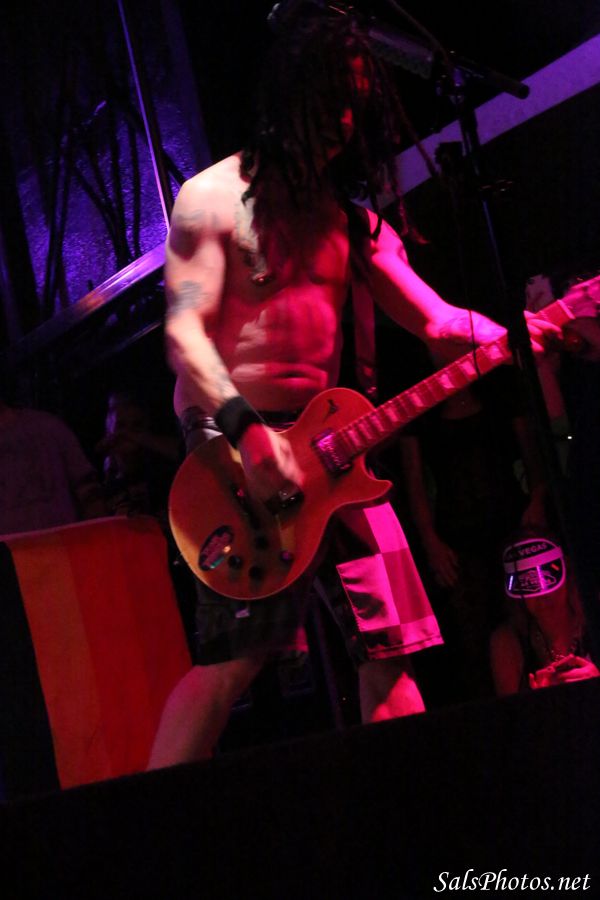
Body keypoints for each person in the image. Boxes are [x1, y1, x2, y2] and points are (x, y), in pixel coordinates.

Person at [147, 12, 559, 768]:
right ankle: (138, 823)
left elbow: (437, 321)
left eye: (355, 100)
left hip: (333, 450)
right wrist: (248, 433)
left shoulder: (354, 224)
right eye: (331, 95)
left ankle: (408, 814)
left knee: (394, 650)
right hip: (234, 450)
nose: (343, 118)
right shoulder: (213, 196)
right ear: (289, 93)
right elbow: (184, 336)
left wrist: (525, 330)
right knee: (232, 663)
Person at [396, 359, 548, 704]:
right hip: (456, 534)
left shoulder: (499, 391)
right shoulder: (421, 405)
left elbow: (533, 454)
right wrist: (430, 540)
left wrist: (538, 500)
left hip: (511, 522)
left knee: (526, 618)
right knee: (472, 634)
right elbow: (414, 483)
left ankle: (538, 697)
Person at [490, 527, 599, 694]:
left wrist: (595, 683)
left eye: (548, 576)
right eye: (528, 582)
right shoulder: (508, 642)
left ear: (567, 573)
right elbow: (510, 710)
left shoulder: (594, 618)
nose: (543, 594)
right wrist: (540, 700)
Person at [0, 390, 106, 535]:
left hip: (63, 545)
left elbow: (89, 493)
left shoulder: (46, 427)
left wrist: (99, 536)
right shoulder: (47, 425)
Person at [97, 389, 180, 523]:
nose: (128, 434)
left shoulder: (160, 464)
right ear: (109, 427)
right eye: (121, 425)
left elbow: (184, 453)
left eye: (136, 426)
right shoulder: (101, 472)